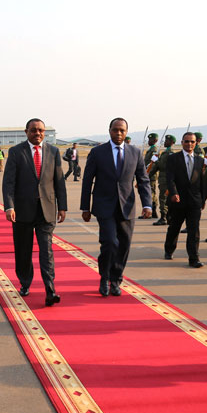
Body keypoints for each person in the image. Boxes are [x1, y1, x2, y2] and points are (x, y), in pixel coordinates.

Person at [80, 118, 152, 296]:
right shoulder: (97, 152)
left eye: (122, 130)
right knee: (110, 243)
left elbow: (143, 180)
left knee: (124, 245)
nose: (118, 133)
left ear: (126, 132)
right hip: (104, 206)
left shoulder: (135, 152)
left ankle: (116, 280)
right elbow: (87, 180)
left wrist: (147, 204)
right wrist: (85, 207)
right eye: (115, 130)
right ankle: (104, 277)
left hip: (127, 207)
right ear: (109, 130)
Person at [2, 118, 67, 306]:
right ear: (26, 132)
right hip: (22, 211)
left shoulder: (53, 151)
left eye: (41, 130)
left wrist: (62, 206)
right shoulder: (16, 152)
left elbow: (59, 181)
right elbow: (9, 182)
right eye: (33, 130)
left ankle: (50, 289)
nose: (37, 133)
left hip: (46, 210)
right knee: (23, 250)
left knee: (47, 251)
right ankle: (25, 282)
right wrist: (9, 206)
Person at [164, 132, 206, 268]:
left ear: (196, 143)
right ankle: (169, 249)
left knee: (194, 231)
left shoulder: (200, 160)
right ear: (182, 142)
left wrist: (203, 199)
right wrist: (173, 193)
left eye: (192, 142)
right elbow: (170, 178)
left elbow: (202, 181)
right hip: (178, 200)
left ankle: (194, 258)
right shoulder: (173, 158)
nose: (189, 144)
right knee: (174, 227)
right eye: (187, 141)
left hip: (194, 201)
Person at [152, 134, 175, 225]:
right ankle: (167, 216)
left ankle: (164, 217)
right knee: (164, 198)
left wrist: (156, 161)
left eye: (167, 141)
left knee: (163, 198)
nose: (165, 142)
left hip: (166, 179)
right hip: (163, 179)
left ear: (172, 142)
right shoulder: (165, 152)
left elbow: (164, 166)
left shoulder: (170, 153)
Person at [142, 133, 159, 220]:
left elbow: (153, 164)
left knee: (151, 193)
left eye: (150, 140)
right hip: (148, 173)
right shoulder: (151, 149)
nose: (148, 141)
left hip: (151, 175)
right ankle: (152, 212)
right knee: (151, 192)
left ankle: (152, 211)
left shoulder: (154, 150)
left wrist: (148, 173)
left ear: (155, 140)